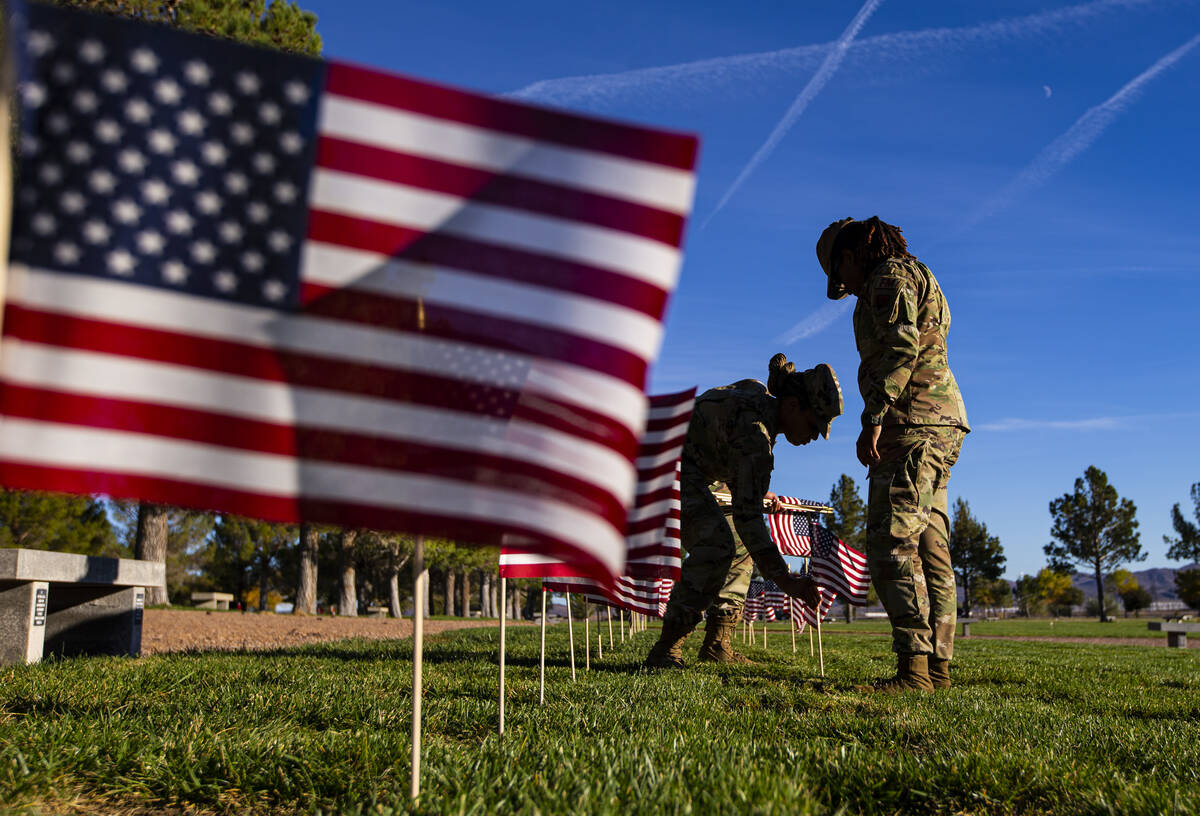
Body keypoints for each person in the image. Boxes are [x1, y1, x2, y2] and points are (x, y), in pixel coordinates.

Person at [815, 216, 969, 692]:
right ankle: (937, 668)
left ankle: (915, 670)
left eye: (843, 273)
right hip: (940, 423)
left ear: (852, 254)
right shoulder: (919, 273)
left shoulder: (889, 277)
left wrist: (874, 415)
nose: (847, 287)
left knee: (889, 544)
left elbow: (901, 349)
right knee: (930, 548)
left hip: (910, 425)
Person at [644, 353, 843, 668]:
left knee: (738, 543)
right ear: (791, 405)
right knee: (716, 545)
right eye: (813, 423)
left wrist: (751, 487)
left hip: (690, 468)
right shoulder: (755, 435)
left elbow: (722, 448)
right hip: (659, 466)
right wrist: (786, 579)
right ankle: (667, 649)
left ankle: (718, 644)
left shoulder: (756, 396)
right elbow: (750, 517)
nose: (815, 435)